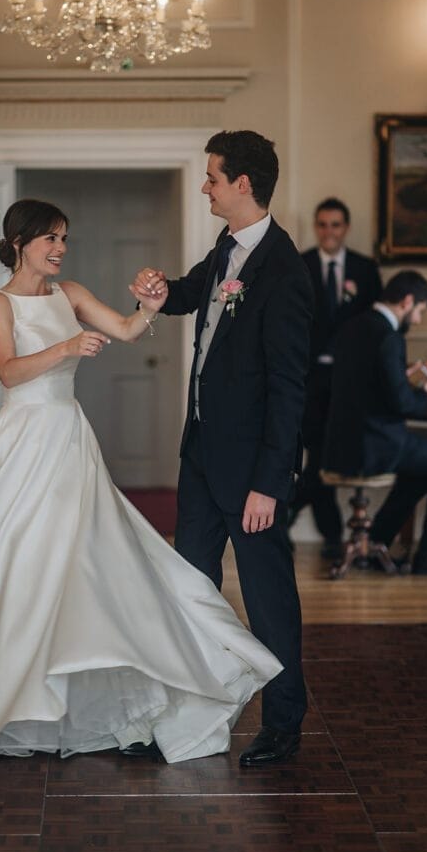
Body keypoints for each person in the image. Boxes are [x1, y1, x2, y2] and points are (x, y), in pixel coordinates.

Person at [0, 198, 284, 763]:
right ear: (21, 241)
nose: (60, 250)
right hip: (20, 441)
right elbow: (8, 370)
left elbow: (124, 329)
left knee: (85, 564)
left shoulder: (69, 294)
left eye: (64, 239)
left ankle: (77, 689)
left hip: (69, 440)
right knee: (16, 562)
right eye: (51, 239)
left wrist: (148, 307)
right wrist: (68, 346)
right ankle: (5, 691)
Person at [132, 130, 313, 766]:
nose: (205, 187)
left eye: (212, 177)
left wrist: (270, 482)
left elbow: (291, 390)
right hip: (202, 456)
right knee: (191, 590)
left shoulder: (285, 271)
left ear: (243, 183)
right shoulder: (227, 249)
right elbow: (195, 296)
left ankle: (284, 723)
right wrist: (160, 292)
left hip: (252, 475)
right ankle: (190, 717)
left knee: (268, 601)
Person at [323, 270, 427, 577]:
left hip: (341, 444)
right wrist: (425, 391)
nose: (419, 319)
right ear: (408, 301)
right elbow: (403, 405)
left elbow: (365, 386)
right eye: (420, 310)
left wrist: (400, 378)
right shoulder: (389, 337)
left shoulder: (352, 326)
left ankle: (379, 539)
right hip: (374, 445)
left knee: (424, 468)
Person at [289, 198, 382, 558]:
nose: (329, 231)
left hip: (350, 380)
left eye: (336, 225)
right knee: (318, 452)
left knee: (328, 455)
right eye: (323, 224)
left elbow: (376, 326)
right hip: (308, 378)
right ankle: (330, 534)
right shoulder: (300, 265)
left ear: (346, 228)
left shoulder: (365, 269)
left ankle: (297, 513)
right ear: (316, 227)